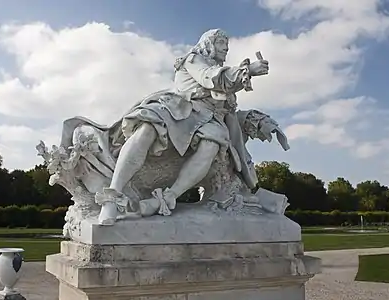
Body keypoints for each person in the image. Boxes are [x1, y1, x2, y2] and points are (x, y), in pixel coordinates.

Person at [96, 28, 270, 225]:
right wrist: (247, 71)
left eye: (226, 44)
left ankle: (167, 197)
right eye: (221, 42)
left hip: (206, 120)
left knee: (214, 142)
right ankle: (111, 197)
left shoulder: (228, 90)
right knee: (148, 128)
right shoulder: (194, 59)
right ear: (208, 45)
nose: (226, 47)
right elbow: (210, 78)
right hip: (179, 108)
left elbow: (231, 120)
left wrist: (245, 168)